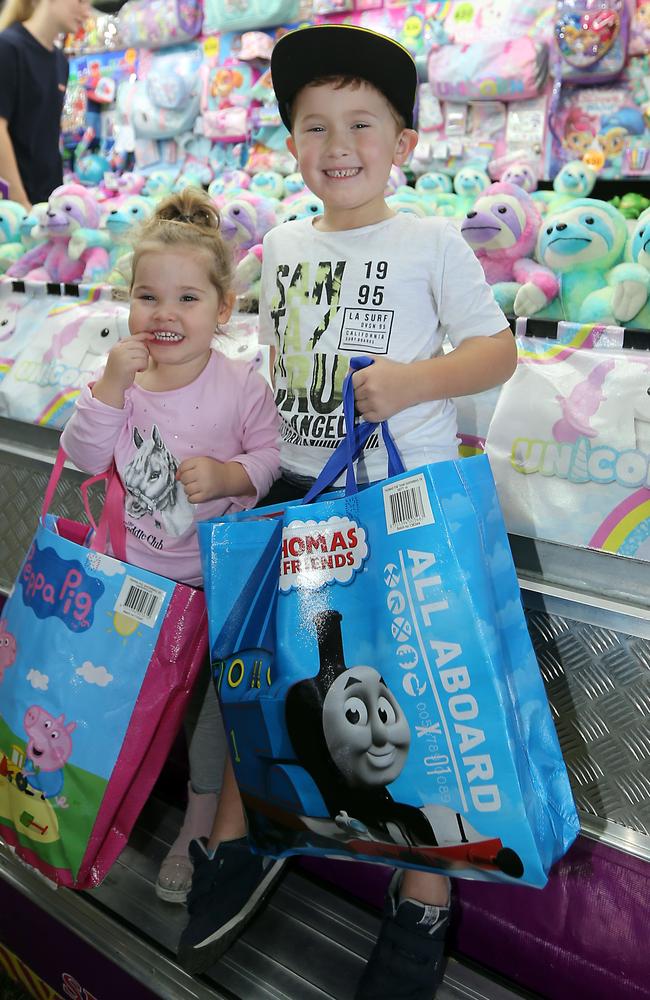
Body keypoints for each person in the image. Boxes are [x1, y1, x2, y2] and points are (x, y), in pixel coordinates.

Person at [177, 25, 517, 1000]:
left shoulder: (429, 241)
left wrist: (414, 379)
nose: (336, 143)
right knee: (265, 676)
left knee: (422, 707)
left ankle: (422, 902)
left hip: (399, 505)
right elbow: (280, 376)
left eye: (360, 123)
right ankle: (240, 848)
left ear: (402, 143)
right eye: (314, 125)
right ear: (289, 144)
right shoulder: (281, 245)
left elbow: (493, 356)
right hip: (297, 496)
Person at [60, 187, 280, 907]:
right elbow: (87, 457)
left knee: (213, 710)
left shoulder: (240, 384)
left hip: (214, 585)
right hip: (130, 578)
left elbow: (269, 455)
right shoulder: (122, 381)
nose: (164, 314)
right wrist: (109, 388)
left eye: (187, 299)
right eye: (147, 296)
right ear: (127, 304)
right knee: (123, 697)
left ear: (222, 310)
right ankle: (89, 795)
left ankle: (195, 819)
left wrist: (228, 477)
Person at [0, 0, 89, 208]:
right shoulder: (8, 48)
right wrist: (21, 202)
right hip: (13, 211)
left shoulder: (60, 61)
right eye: (81, 1)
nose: (86, 12)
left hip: (48, 202)